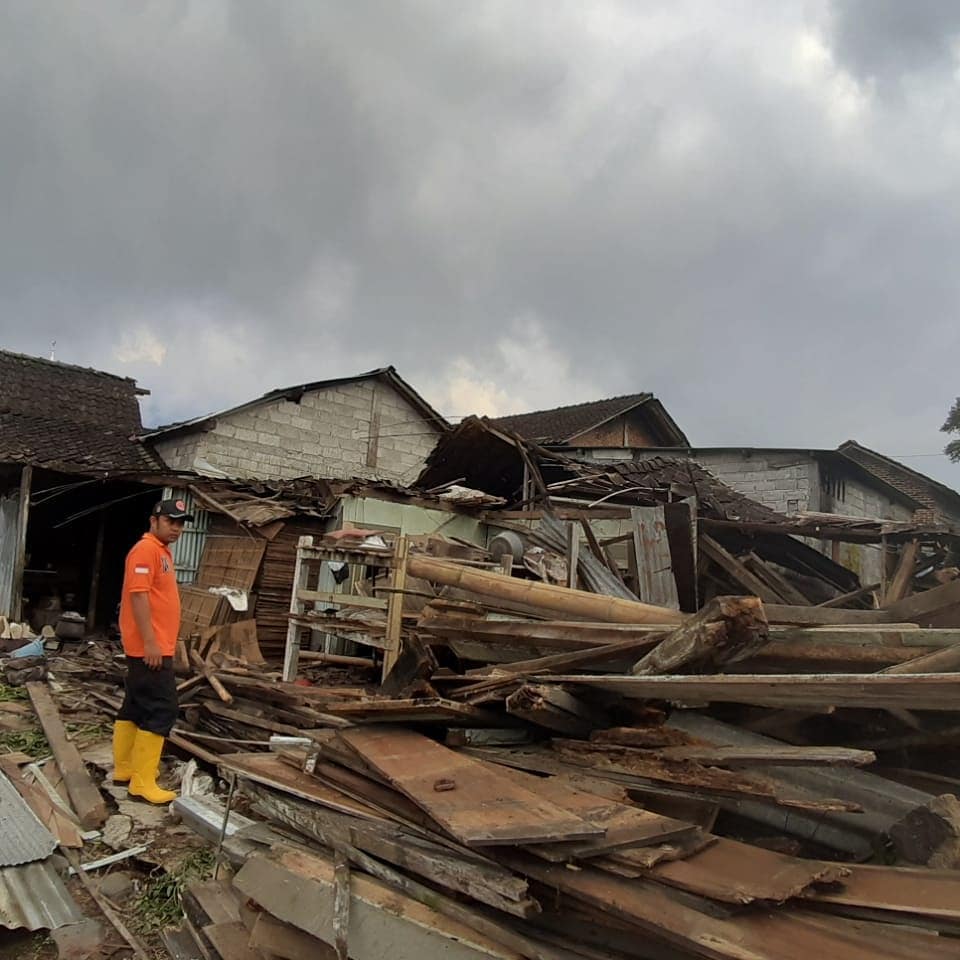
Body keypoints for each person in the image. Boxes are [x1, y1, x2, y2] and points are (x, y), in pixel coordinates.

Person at [112, 496, 193, 804]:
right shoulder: (145, 550)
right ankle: (143, 782)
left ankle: (125, 769)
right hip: (150, 647)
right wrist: (151, 643)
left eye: (181, 524)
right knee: (162, 709)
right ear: (154, 520)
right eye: (171, 522)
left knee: (134, 706)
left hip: (152, 645)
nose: (177, 528)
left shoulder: (162, 552)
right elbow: (138, 597)